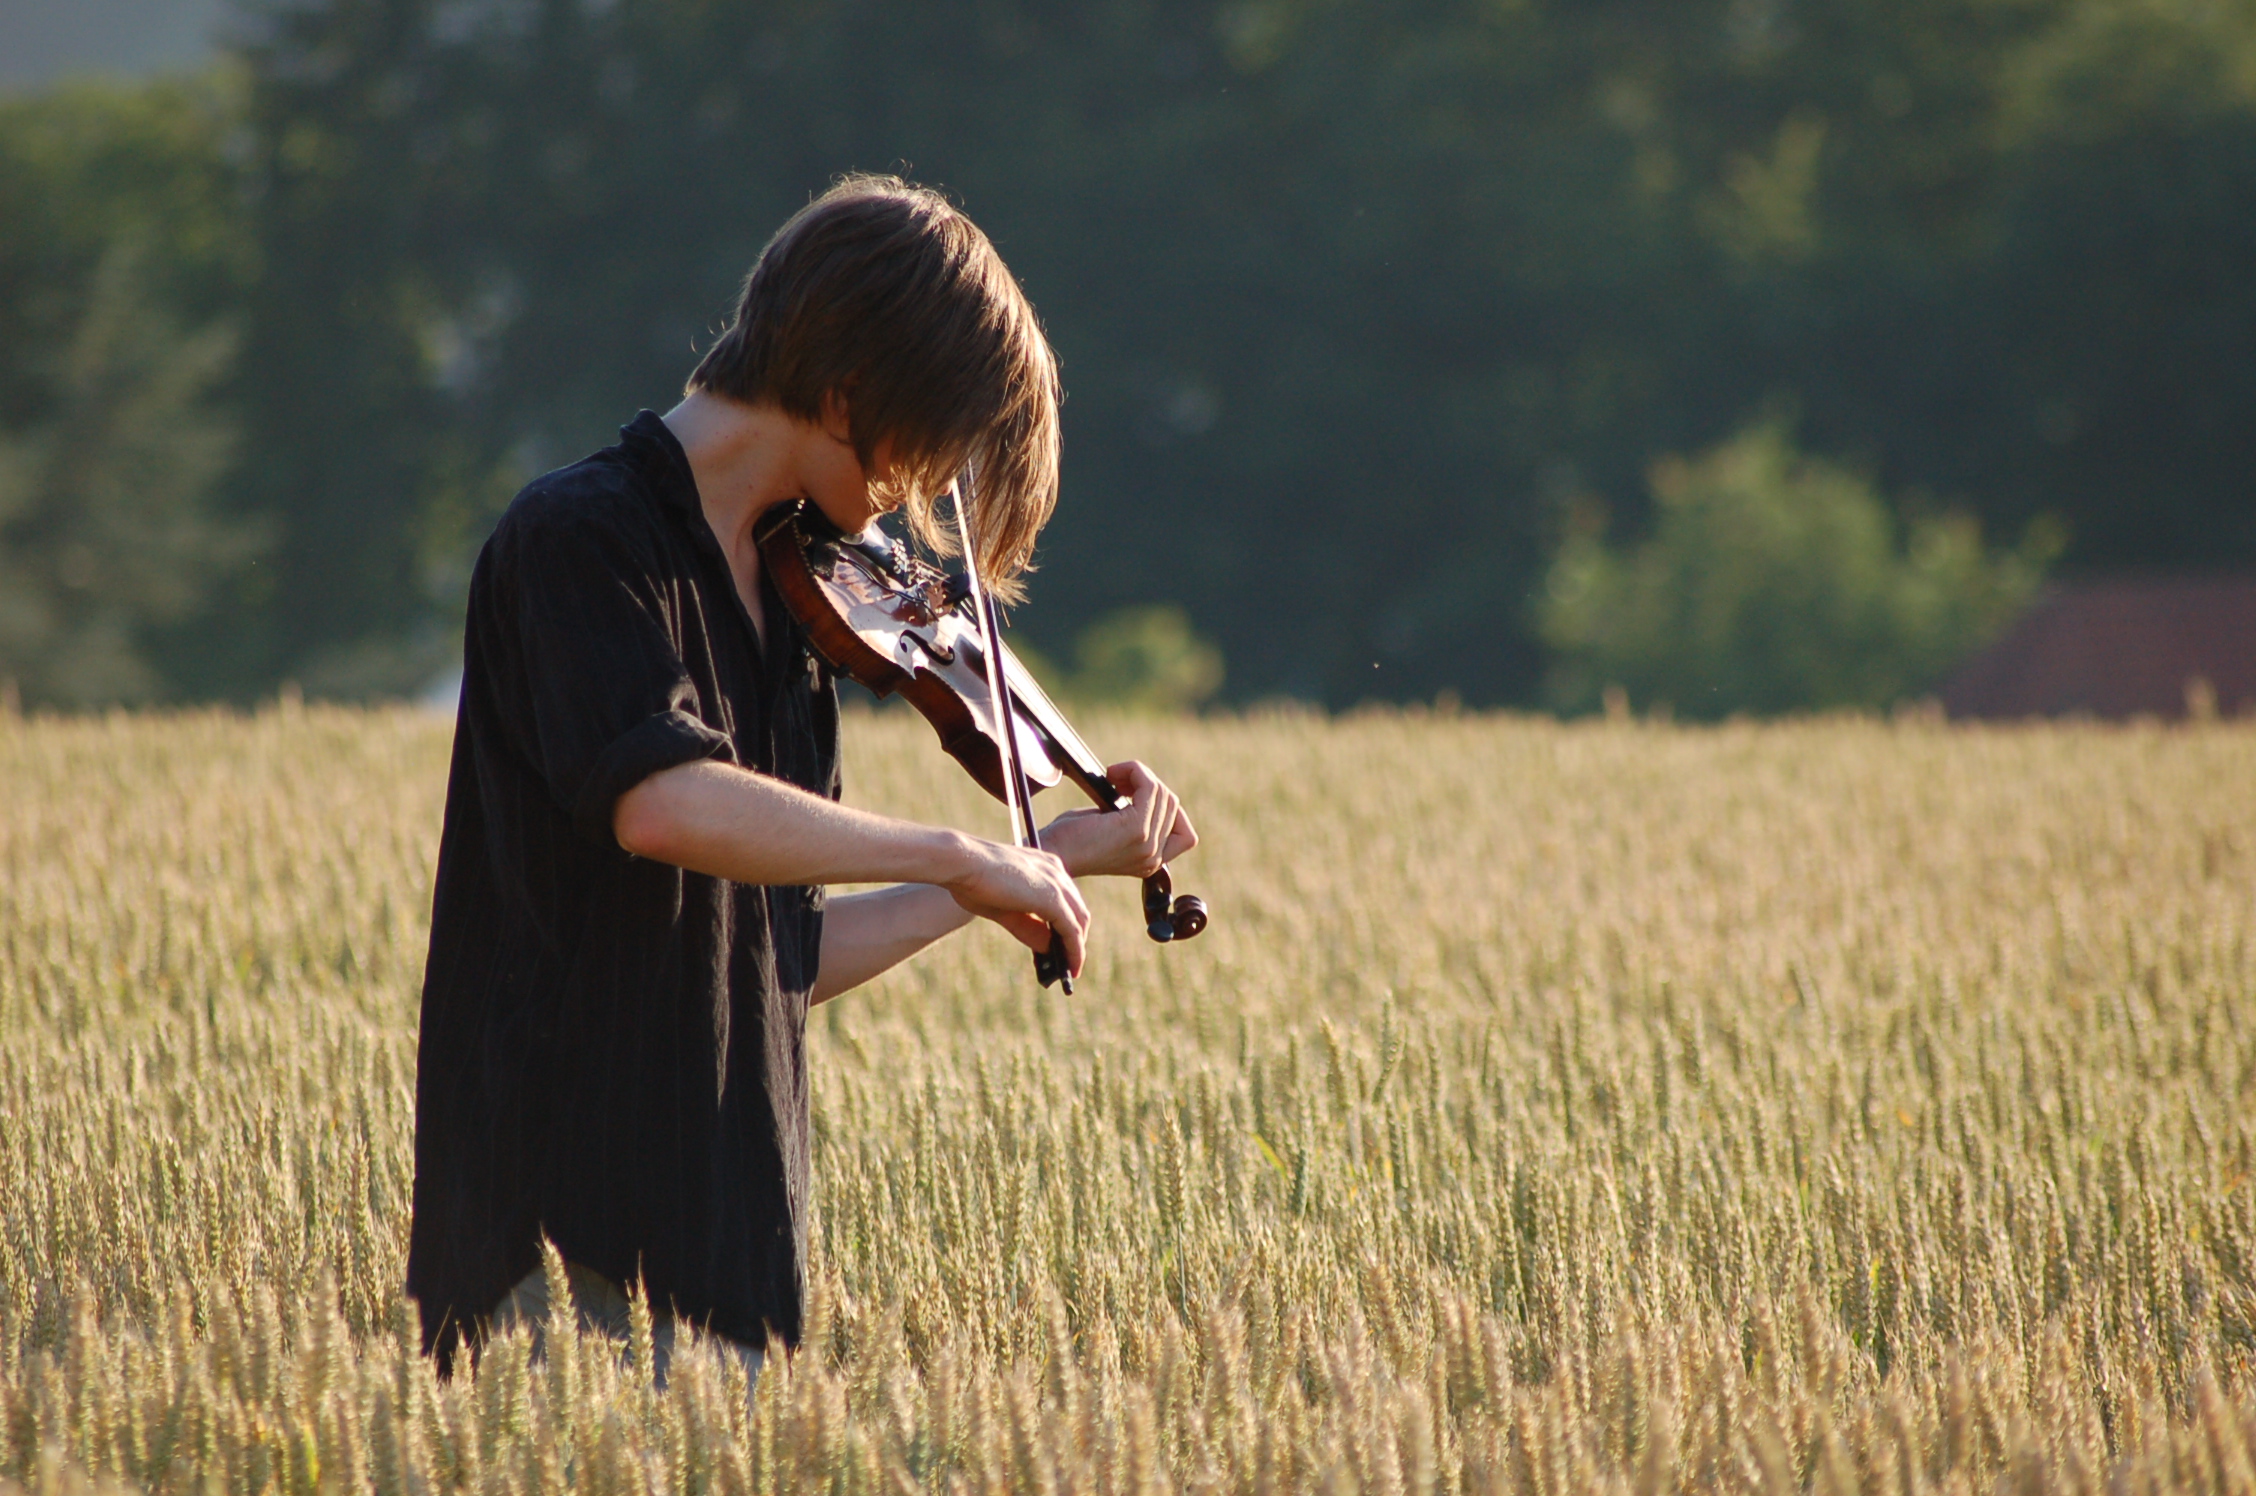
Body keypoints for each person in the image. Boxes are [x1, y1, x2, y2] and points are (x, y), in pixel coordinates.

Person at [405, 175, 1198, 1387]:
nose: (922, 496)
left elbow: (778, 956)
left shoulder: (798, 601)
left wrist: (1043, 861)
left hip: (728, 1251)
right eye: (927, 448)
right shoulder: (578, 541)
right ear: (844, 397)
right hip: (549, 1255)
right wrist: (950, 848)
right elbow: (664, 802)